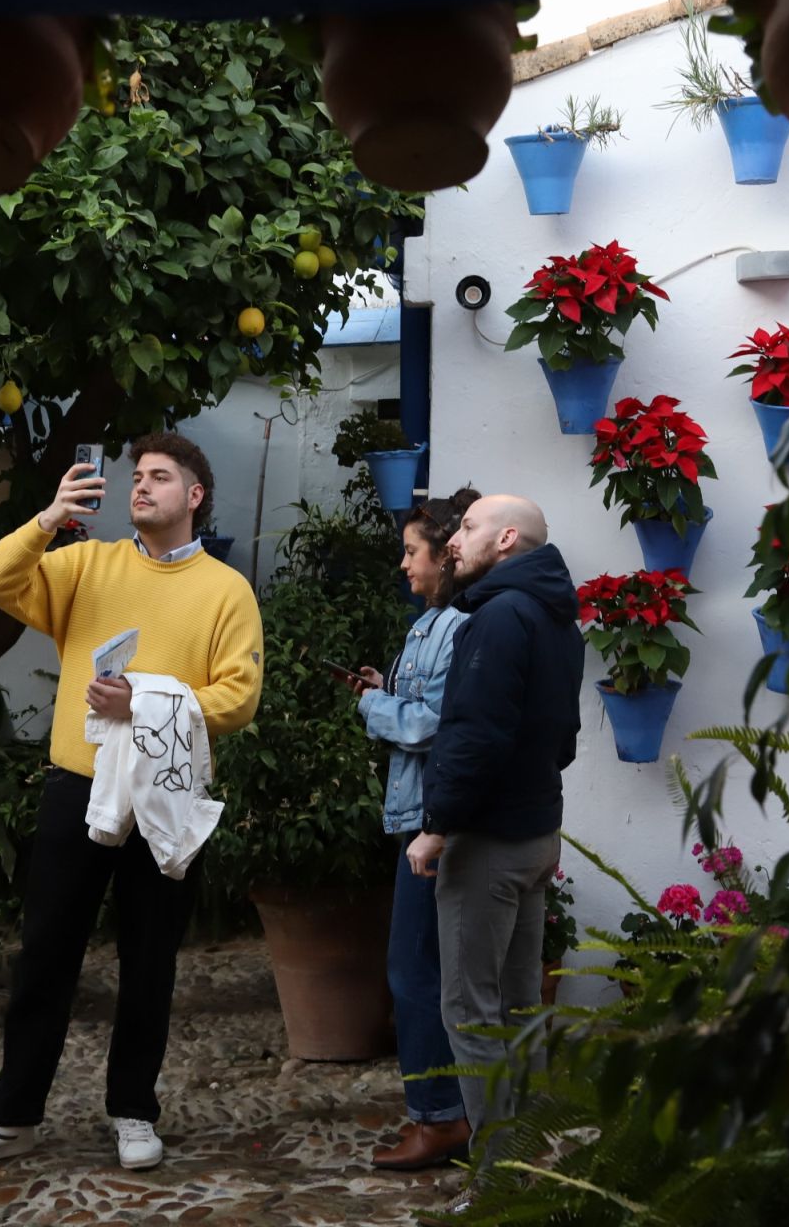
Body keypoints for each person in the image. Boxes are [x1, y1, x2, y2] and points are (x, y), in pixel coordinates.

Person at [0, 432, 264, 1174]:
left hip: (167, 790)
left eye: (160, 477)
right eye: (137, 477)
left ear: (196, 495)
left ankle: (134, 1110)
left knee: (150, 959)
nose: (141, 487)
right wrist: (50, 515)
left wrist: (140, 701)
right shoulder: (87, 563)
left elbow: (238, 698)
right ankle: (10, 1116)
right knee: (46, 954)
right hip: (76, 786)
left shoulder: (226, 590)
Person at [407, 495, 583, 1169]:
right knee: (517, 1011)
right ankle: (532, 1165)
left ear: (507, 539)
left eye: (469, 528)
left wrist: (437, 826)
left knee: (472, 1014)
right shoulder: (554, 617)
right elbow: (561, 742)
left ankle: (497, 1178)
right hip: (538, 836)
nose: (454, 541)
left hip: (488, 845)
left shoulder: (499, 618)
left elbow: (473, 736)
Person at [337, 489, 479, 1170]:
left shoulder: (456, 625)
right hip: (419, 815)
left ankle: (439, 1119)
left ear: (445, 557)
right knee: (429, 969)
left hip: (434, 821)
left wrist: (375, 706)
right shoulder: (432, 623)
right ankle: (451, 1114)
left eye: (410, 552)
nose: (403, 565)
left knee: (414, 970)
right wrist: (382, 688)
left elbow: (431, 724)